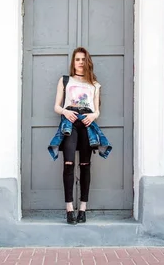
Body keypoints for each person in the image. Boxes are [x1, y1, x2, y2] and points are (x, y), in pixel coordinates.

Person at [48, 47, 111, 225]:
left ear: (87, 61)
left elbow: (97, 110)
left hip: (86, 123)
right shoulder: (65, 80)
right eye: (77, 59)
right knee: (68, 164)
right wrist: (65, 112)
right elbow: (56, 106)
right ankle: (69, 209)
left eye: (83, 59)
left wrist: (93, 116)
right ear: (73, 62)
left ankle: (82, 209)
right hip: (69, 122)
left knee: (85, 165)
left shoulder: (94, 84)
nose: (80, 62)